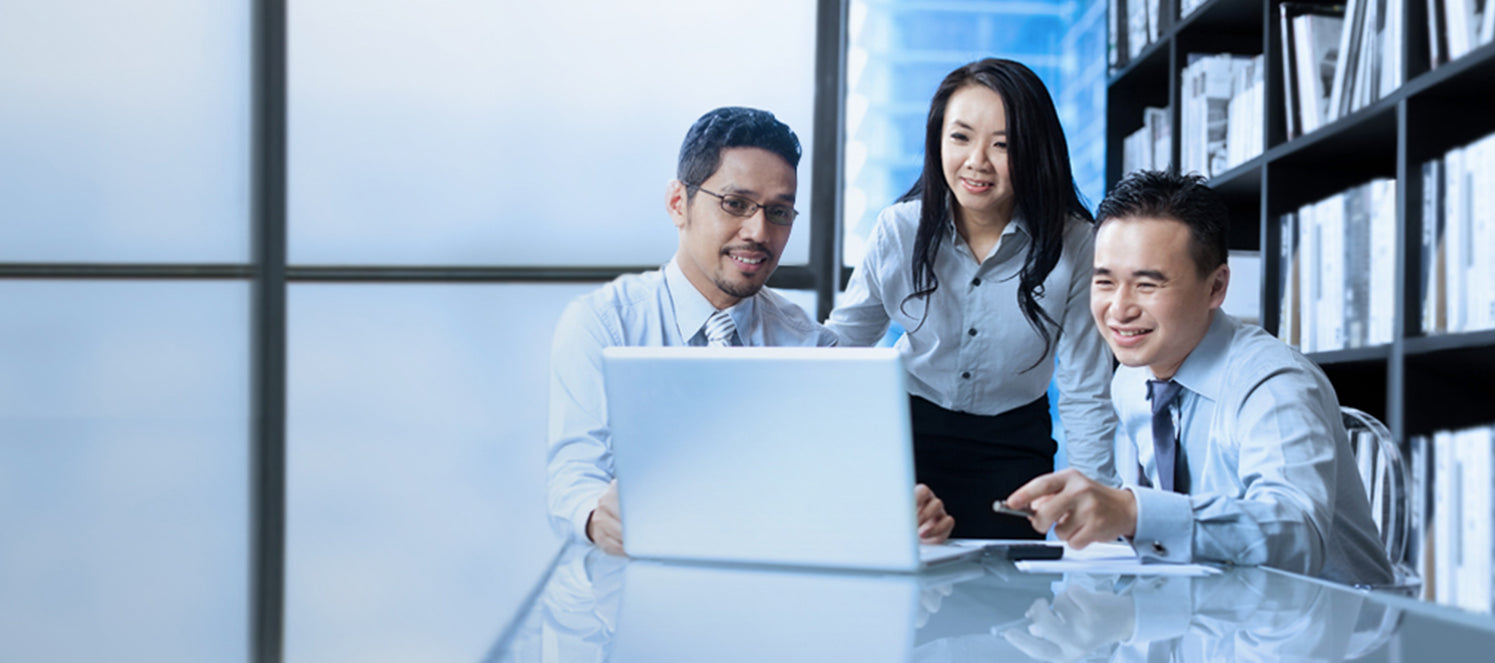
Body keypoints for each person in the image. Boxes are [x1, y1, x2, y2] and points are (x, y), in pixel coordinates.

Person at [546, 107, 955, 555]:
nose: (759, 232)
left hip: (772, 593)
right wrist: (595, 515)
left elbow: (835, 490)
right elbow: (572, 476)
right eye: (736, 204)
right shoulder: (604, 325)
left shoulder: (811, 347)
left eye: (779, 212)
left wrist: (899, 514)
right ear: (678, 203)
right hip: (633, 586)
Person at [1005, 170, 1393, 585]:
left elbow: (1297, 535)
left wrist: (1134, 513)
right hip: (1217, 620)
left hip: (1324, 635)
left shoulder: (1275, 383)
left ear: (1216, 287)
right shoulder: (1131, 382)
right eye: (1105, 282)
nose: (1119, 309)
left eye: (1147, 285)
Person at [825, 58, 1117, 539]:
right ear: (938, 140)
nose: (977, 161)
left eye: (1003, 145)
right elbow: (839, 351)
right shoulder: (899, 230)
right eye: (960, 137)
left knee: (1010, 601)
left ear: (1035, 151)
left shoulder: (1078, 244)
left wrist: (1095, 508)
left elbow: (1085, 387)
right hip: (905, 441)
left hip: (1014, 449)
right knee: (907, 598)